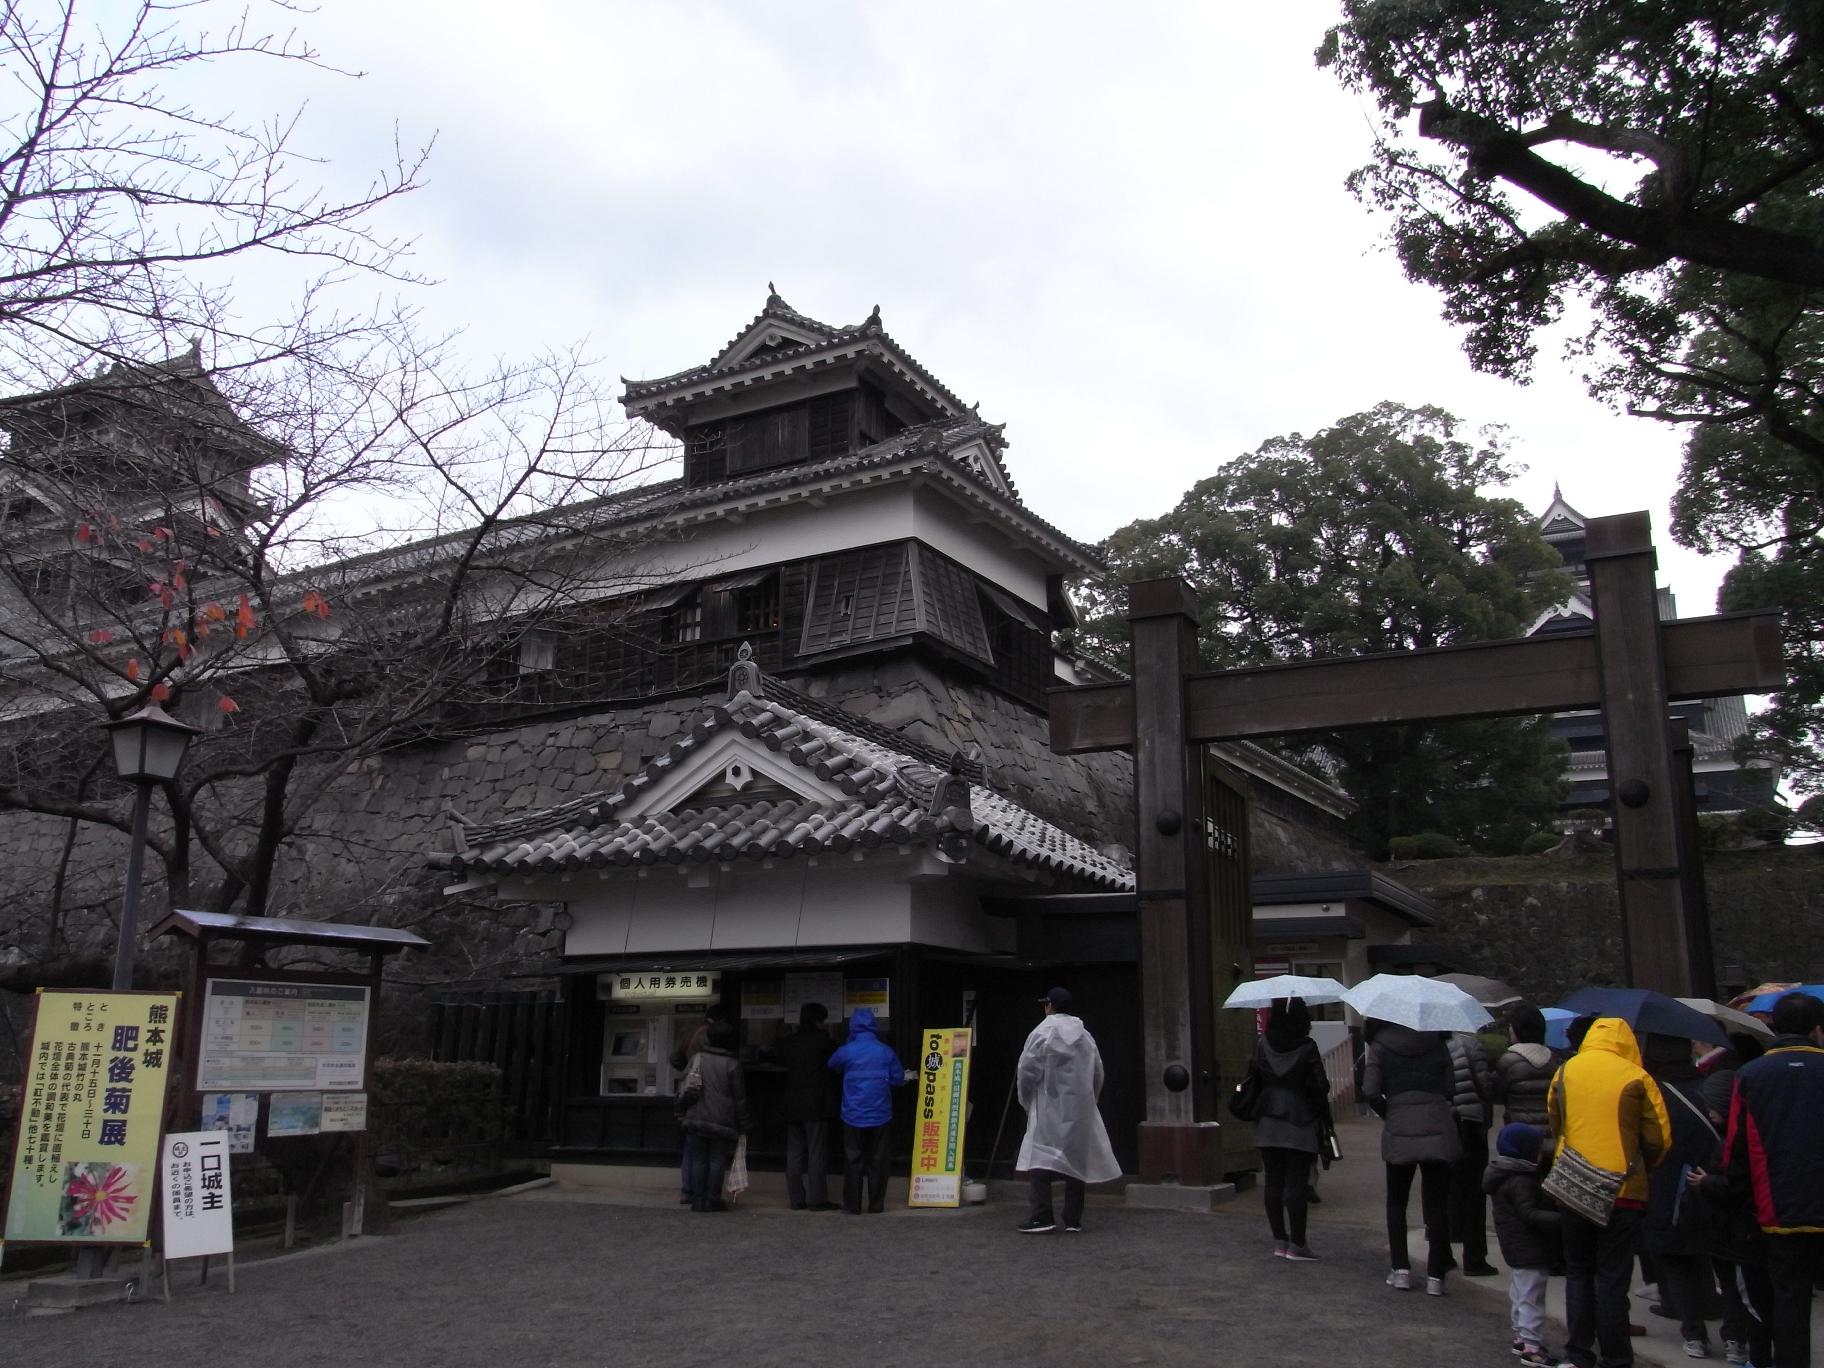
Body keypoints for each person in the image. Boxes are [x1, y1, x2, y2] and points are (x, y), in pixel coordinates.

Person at [1548, 1016, 1671, 1368]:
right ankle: (1616, 1356)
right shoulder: (1636, 1076)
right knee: (1613, 1276)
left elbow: (1555, 1121)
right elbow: (1659, 1138)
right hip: (1623, 1190)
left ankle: (1578, 1352)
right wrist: (1642, 1166)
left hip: (1572, 1185)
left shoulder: (1566, 1071)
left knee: (1578, 1271)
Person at [1718, 991, 1824, 1368]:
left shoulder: (1750, 1075)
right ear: (1817, 1030)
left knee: (1789, 1300)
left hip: (1776, 1212)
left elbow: (1734, 1153)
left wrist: (1742, 1206)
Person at [1361, 1017, 1462, 1295]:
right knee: (1437, 1206)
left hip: (1399, 1126)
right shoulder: (1438, 1043)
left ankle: (1401, 1269)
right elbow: (1451, 1088)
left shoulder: (1380, 1047)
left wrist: (1389, 1111)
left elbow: (1369, 1090)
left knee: (1397, 1202)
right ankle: (1436, 1277)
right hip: (1437, 1126)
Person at [1015, 986, 1121, 1234]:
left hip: (1047, 1103)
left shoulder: (1041, 1033)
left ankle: (1042, 1215)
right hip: (1079, 1106)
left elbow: (1027, 1070)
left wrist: (1026, 1100)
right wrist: (1089, 1100)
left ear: (1049, 1006)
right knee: (1075, 1157)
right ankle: (1073, 1218)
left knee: (1039, 1156)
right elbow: (1098, 1072)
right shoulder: (1085, 1036)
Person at [1251, 996, 1333, 1260]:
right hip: (1300, 1117)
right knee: (1297, 1181)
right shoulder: (1308, 1047)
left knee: (1273, 1181)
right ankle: (1298, 1243)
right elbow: (1320, 1086)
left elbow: (1254, 1078)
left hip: (1267, 1117)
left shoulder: (1262, 1045)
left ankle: (1279, 1240)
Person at [1484, 1122, 1564, 1367]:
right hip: (1529, 1248)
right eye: (1538, 1149)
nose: (1541, 1154)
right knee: (1532, 1296)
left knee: (1520, 1292)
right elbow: (1529, 1214)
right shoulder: (1522, 1181)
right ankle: (1531, 1345)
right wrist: (1563, 1220)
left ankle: (1521, 1335)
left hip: (1516, 1247)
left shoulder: (1505, 1176)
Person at [827, 1006, 907, 1214]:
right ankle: (876, 1205)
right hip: (880, 1114)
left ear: (852, 1027)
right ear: (874, 1027)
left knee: (853, 1159)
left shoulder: (847, 1051)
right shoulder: (885, 1051)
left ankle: (852, 1206)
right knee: (878, 1161)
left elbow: (832, 1064)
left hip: (852, 1114)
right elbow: (898, 1079)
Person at [674, 1018, 749, 1213]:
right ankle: (713, 1199)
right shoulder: (732, 1064)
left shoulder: (697, 1058)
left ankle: (698, 1199)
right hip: (721, 1119)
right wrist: (743, 1123)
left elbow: (683, 1083)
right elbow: (739, 1098)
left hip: (696, 1115)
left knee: (698, 1158)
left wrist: (681, 1109)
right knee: (717, 1160)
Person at [1447, 1029, 1500, 1276]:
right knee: (1474, 1191)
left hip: (1446, 1122)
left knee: (1448, 1187)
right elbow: (1485, 1086)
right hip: (1471, 1122)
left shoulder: (1434, 1043)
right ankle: (1475, 1257)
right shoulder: (1471, 1045)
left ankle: (1445, 1250)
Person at [779, 1001, 837, 1211]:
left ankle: (796, 1198)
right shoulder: (824, 1043)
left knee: (794, 1154)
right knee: (816, 1152)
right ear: (818, 1021)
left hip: (792, 1103)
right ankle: (817, 1199)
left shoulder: (788, 1043)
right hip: (817, 1103)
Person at [1497, 1006, 1558, 1128]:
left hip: (1518, 1129)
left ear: (1517, 1029)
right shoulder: (1555, 1060)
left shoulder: (1508, 1061)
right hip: (1550, 1127)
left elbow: (1498, 1094)